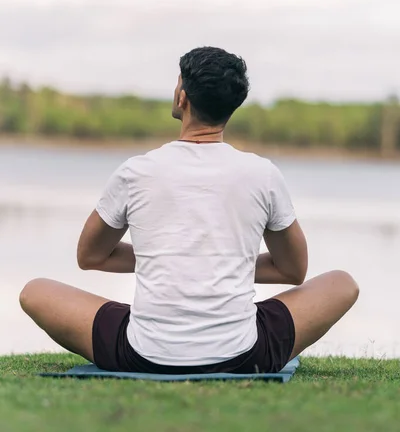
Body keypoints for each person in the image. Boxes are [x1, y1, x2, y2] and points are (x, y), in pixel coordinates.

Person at [20, 47, 359, 373]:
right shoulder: (263, 175)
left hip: (143, 353)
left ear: (182, 97)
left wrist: (172, 256)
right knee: (342, 284)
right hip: (244, 354)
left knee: (35, 291)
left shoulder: (136, 171)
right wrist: (197, 259)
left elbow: (89, 256)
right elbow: (293, 270)